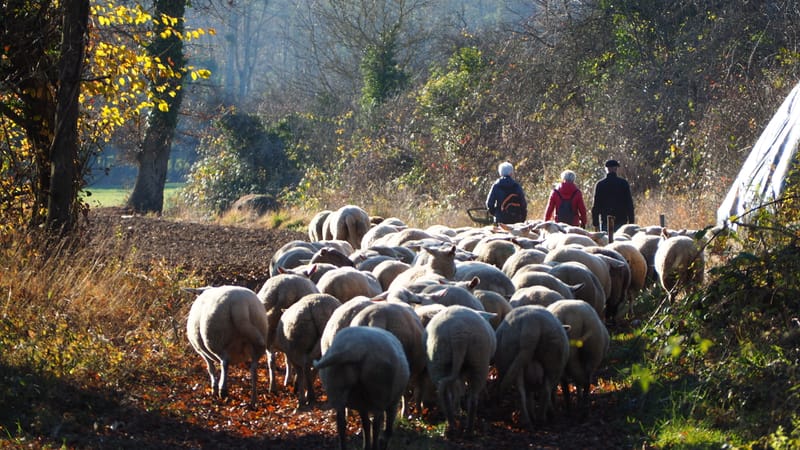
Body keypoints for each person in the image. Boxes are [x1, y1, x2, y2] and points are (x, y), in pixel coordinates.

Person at [591, 159, 635, 232]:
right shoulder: (623, 183)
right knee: (621, 241)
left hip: (605, 220)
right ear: (616, 169)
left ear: (606, 169)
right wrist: (631, 221)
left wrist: (595, 223)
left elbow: (596, 205)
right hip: (621, 219)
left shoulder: (600, 184)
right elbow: (629, 203)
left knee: (607, 241)